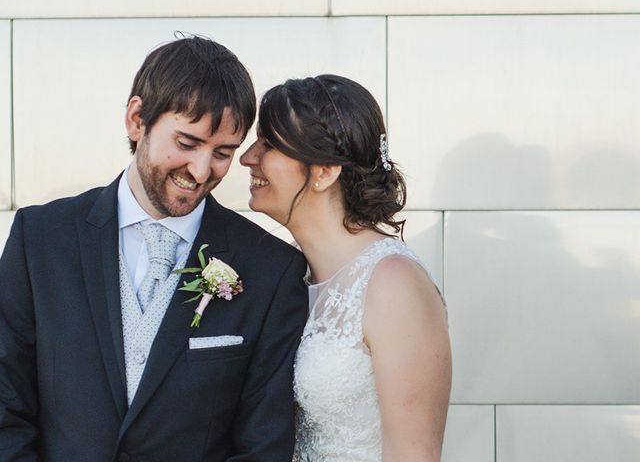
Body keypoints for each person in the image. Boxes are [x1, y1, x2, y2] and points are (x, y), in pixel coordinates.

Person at [0, 35, 308, 461]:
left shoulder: (271, 269)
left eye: (222, 152)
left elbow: (264, 444)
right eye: (187, 144)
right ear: (136, 119)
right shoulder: (40, 239)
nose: (201, 172)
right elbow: (5, 404)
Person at [239, 74, 452, 461]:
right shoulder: (287, 272)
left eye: (268, 144)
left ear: (323, 171)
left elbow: (414, 454)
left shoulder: (393, 284)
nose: (247, 157)